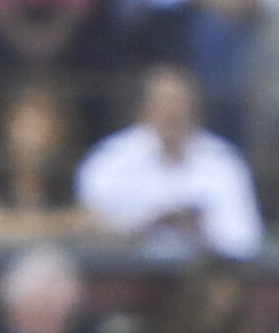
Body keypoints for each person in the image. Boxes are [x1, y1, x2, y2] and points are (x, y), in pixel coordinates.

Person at [77, 64, 266, 257]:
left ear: (196, 108)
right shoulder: (110, 160)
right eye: (164, 102)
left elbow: (246, 241)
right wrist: (146, 225)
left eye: (180, 102)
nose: (172, 111)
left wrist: (199, 231)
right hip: (128, 275)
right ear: (144, 107)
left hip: (200, 276)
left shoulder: (223, 161)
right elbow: (88, 230)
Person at [111, 0, 279, 146]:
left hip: (239, 15)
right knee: (212, 31)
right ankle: (214, 134)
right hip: (156, 14)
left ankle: (223, 146)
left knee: (224, 31)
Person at [0, 80, 99, 243]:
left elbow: (88, 220)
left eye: (45, 127)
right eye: (27, 127)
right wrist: (60, 224)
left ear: (61, 132)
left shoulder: (76, 178)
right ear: (8, 127)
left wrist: (16, 225)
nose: (36, 138)